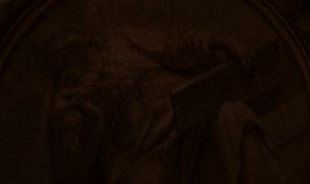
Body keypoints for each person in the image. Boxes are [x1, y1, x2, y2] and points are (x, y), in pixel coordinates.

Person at [48, 27, 287, 184]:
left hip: (191, 115)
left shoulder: (121, 42)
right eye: (59, 49)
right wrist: (92, 123)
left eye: (68, 37)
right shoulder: (71, 93)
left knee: (232, 115)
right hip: (146, 152)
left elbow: (176, 47)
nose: (67, 42)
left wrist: (216, 42)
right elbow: (76, 166)